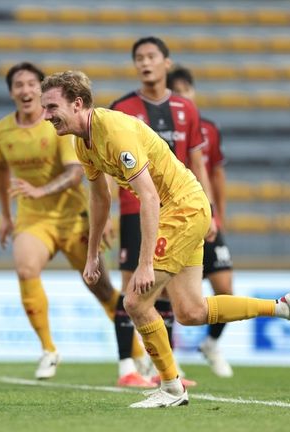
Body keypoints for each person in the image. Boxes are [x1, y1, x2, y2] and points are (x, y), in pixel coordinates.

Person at [40, 70, 290, 408]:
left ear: (78, 103)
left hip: (181, 208)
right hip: (184, 207)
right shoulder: (82, 142)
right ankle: (285, 307)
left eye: (51, 107)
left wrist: (145, 265)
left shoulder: (113, 131)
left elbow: (149, 197)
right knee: (190, 311)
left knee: (135, 301)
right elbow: (100, 198)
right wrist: (91, 256)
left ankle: (172, 387)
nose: (45, 116)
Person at [0, 62, 122, 380]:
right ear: (11, 92)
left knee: (101, 288)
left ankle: (134, 350)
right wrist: (7, 216)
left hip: (73, 218)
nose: (25, 90)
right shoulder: (0, 131)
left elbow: (76, 173)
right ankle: (49, 349)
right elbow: (1, 171)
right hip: (34, 220)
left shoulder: (57, 124)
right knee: (25, 268)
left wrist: (40, 190)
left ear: (41, 89)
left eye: (31, 84)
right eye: (18, 84)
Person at [109, 36, 217, 387]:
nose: (145, 62)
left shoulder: (187, 109)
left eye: (151, 56)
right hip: (133, 208)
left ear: (166, 63)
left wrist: (210, 211)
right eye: (139, 57)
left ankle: (162, 370)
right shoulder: (122, 108)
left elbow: (198, 162)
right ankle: (126, 367)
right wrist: (111, 211)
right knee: (132, 287)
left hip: (179, 208)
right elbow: (110, 164)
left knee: (168, 289)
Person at [167, 65, 234, 378]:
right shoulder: (161, 130)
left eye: (186, 92)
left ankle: (211, 344)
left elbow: (215, 173)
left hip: (205, 215)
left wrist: (217, 213)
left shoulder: (208, 128)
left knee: (225, 289)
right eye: (177, 93)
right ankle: (169, 362)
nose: (183, 98)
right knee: (169, 294)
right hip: (177, 216)